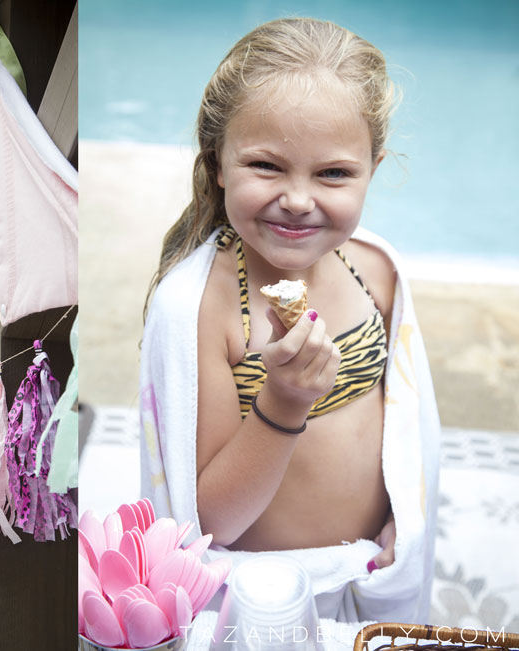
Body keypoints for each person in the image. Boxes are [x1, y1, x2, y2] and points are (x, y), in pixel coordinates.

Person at [139, 17, 440, 622]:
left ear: (372, 169)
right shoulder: (200, 309)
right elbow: (214, 520)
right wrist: (283, 399)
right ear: (218, 163)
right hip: (261, 603)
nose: (299, 199)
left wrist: (400, 517)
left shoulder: (374, 269)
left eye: (333, 173)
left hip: (366, 579)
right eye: (267, 167)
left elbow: (409, 433)